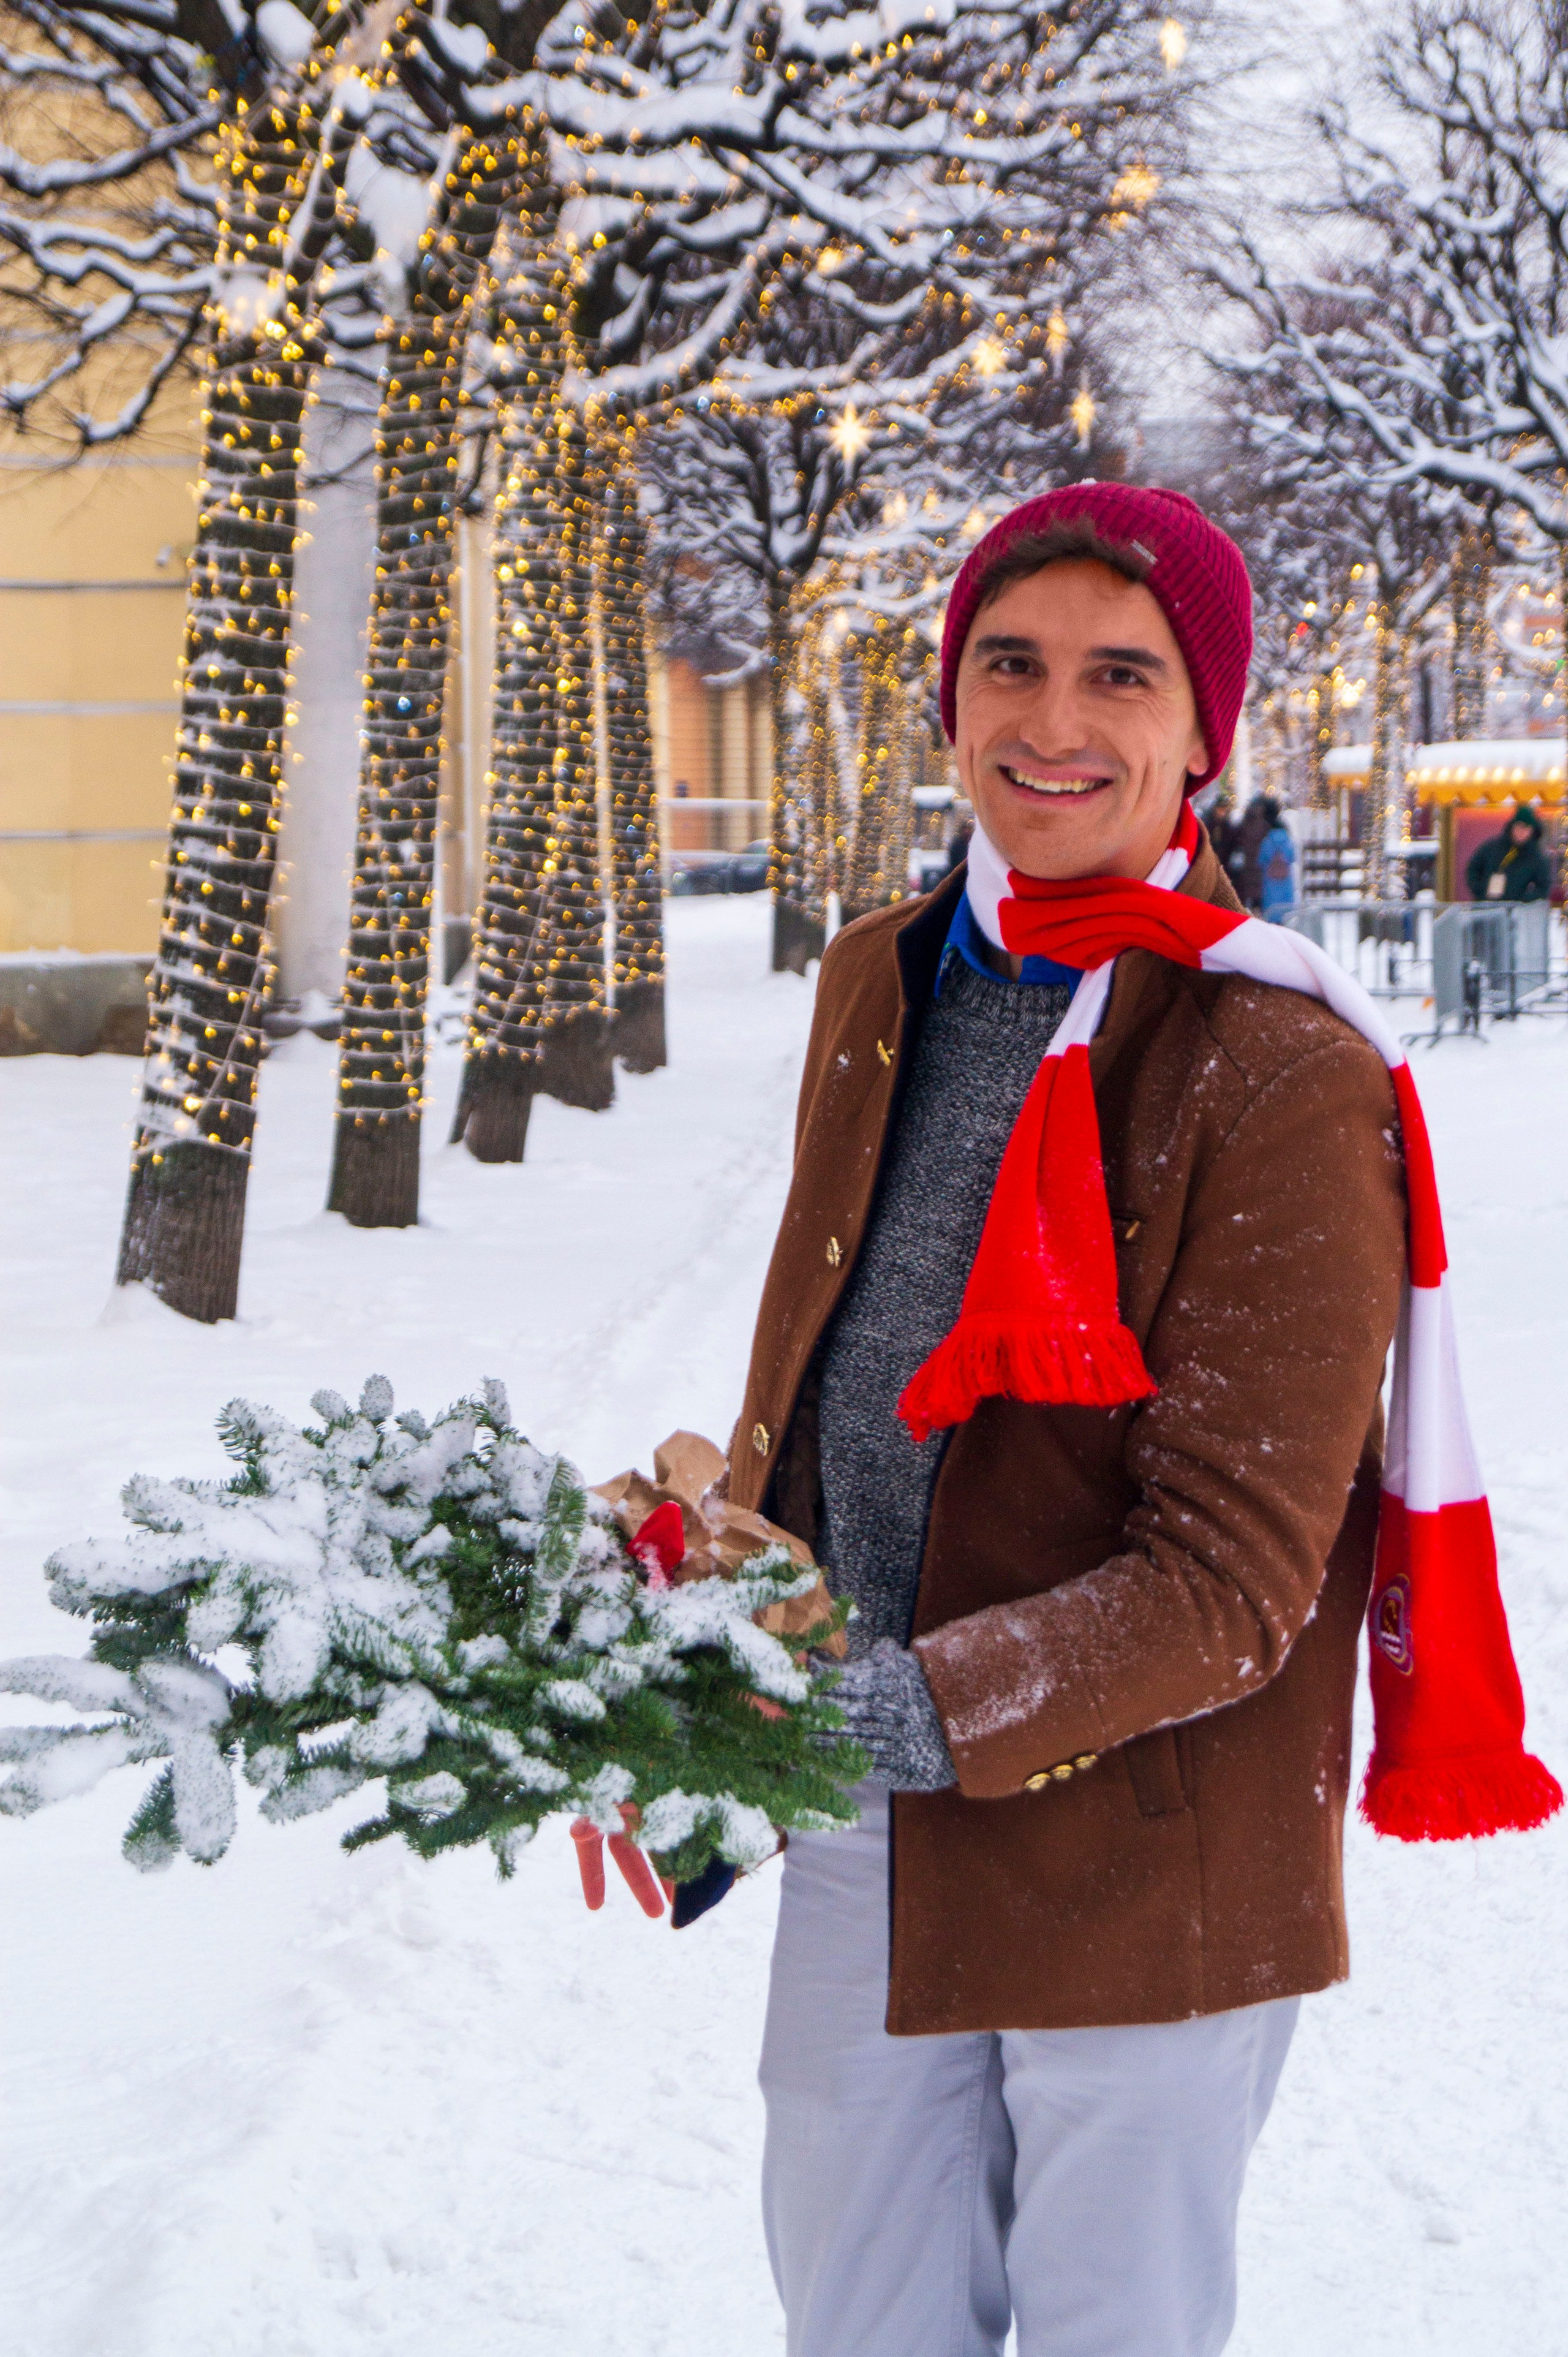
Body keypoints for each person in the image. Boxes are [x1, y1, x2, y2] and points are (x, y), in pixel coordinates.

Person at [722, 483, 1543, 2357]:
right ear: (948, 703)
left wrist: (889, 1712)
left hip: (1147, 1827)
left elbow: (1233, 1578)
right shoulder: (882, 979)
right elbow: (828, 1382)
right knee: (854, 2316)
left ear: (1201, 733)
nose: (1053, 721)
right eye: (1006, 665)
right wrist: (685, 1657)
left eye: (1119, 672)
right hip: (863, 1799)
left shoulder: (1277, 1066)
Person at [1465, 802, 1552, 902]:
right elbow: (1473, 869)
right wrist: (1480, 890)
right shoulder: (1492, 847)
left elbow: (1544, 887)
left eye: (1527, 828)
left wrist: (1522, 901)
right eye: (1519, 826)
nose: (1522, 832)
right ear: (1512, 826)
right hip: (1485, 908)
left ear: (1533, 831)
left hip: (1515, 914)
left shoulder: (1536, 857)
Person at [1232, 789, 1273, 910]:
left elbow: (1237, 841)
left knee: (1247, 894)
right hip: (1260, 867)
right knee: (1258, 896)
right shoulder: (1265, 826)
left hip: (1247, 866)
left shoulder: (1244, 824)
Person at [1258, 795, 1297, 920]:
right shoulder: (1288, 840)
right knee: (1286, 916)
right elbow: (1293, 857)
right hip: (1286, 884)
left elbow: (1261, 860)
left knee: (1272, 914)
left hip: (1270, 884)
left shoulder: (1267, 840)